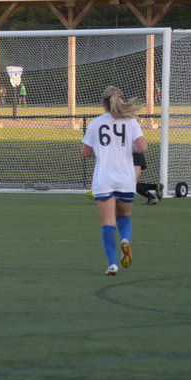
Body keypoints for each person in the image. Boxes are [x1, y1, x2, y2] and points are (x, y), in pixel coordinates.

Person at [81, 86, 147, 276]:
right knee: (124, 216)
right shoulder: (131, 122)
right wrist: (127, 147)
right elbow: (143, 147)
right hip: (125, 178)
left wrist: (102, 150)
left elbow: (85, 152)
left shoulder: (96, 123)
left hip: (104, 178)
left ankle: (112, 264)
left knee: (107, 223)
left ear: (103, 103)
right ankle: (125, 240)